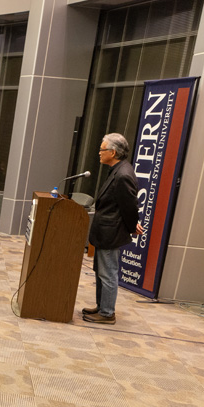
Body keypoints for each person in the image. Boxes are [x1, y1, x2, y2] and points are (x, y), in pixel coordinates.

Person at [84, 133, 142, 325]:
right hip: (105, 230)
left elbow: (129, 206)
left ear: (113, 152)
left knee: (108, 273)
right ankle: (102, 307)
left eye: (102, 149)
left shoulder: (123, 174)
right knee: (101, 271)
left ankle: (107, 313)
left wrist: (133, 225)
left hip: (111, 232)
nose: (99, 153)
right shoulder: (116, 169)